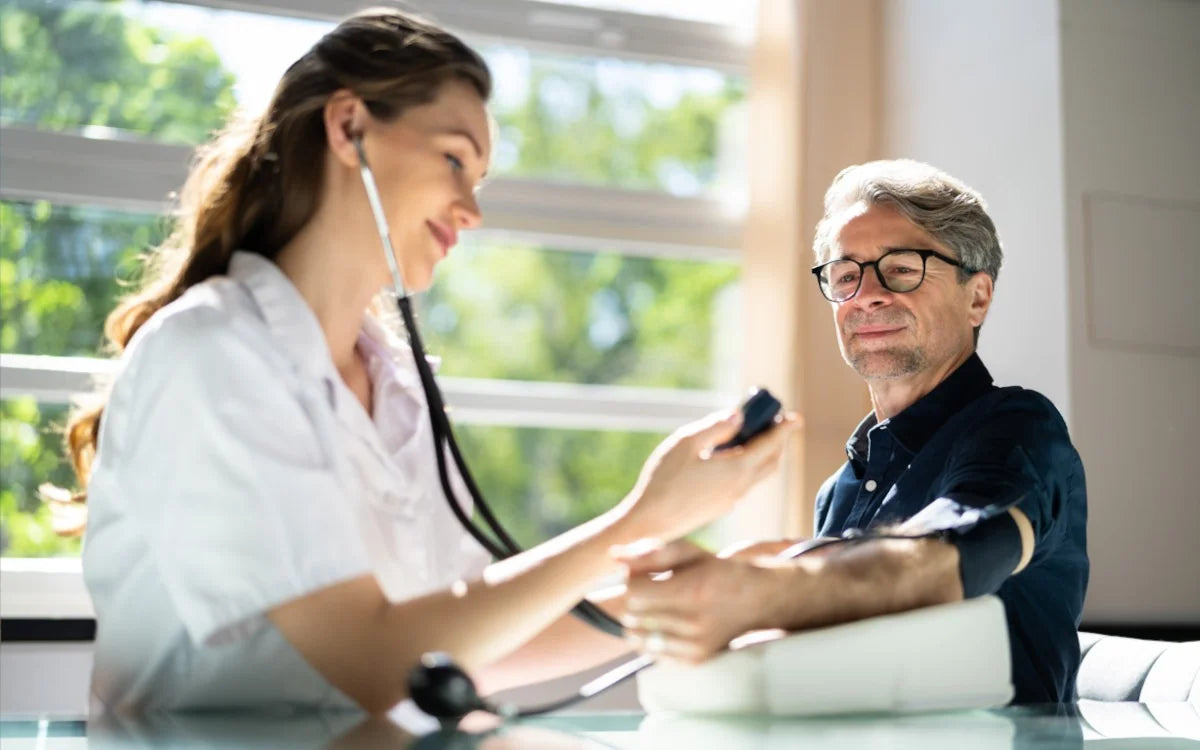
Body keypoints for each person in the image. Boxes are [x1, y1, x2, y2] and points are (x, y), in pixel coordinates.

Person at [66, 8, 798, 713]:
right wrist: (638, 520)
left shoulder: (396, 384)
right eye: (454, 160)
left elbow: (462, 640)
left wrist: (697, 595)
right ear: (349, 126)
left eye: (478, 181)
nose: (471, 211)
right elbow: (370, 659)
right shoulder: (211, 354)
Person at [616, 160, 1088, 704]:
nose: (866, 294)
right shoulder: (838, 489)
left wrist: (758, 591)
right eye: (845, 275)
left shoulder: (1018, 428)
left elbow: (951, 556)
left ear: (977, 297)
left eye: (902, 268)